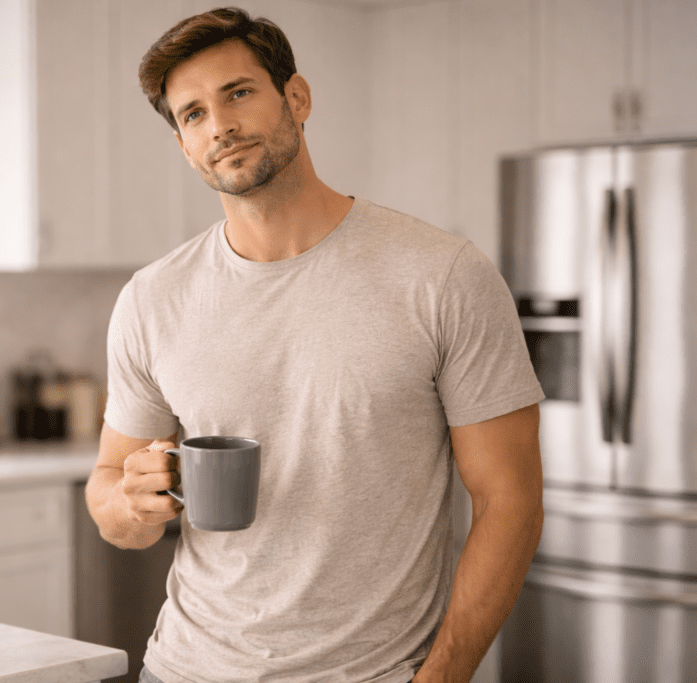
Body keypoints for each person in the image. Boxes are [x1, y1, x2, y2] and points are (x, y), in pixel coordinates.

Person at [85, 7, 544, 683]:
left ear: (295, 97)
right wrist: (130, 503)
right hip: (184, 668)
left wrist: (443, 675)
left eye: (238, 93)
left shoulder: (441, 275)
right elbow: (108, 487)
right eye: (193, 114)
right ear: (184, 144)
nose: (221, 126)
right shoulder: (152, 299)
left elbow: (512, 497)